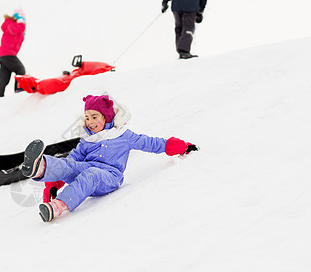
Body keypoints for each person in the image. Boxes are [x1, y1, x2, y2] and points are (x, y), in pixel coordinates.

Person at [21, 95, 199, 222]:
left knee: (91, 173)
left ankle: (58, 206)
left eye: (94, 117)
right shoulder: (87, 140)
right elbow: (72, 163)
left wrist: (180, 146)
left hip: (110, 177)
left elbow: (151, 143)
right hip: (88, 171)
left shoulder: (124, 136)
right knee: (72, 165)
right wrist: (54, 183)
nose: (90, 122)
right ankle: (42, 167)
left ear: (107, 117)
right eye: (87, 118)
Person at [0, 10, 27, 98]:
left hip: (3, 55)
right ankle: (19, 90)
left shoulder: (11, 27)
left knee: (4, 76)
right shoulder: (11, 25)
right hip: (7, 54)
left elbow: (18, 38)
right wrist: (21, 23)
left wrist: (22, 31)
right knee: (20, 69)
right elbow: (18, 29)